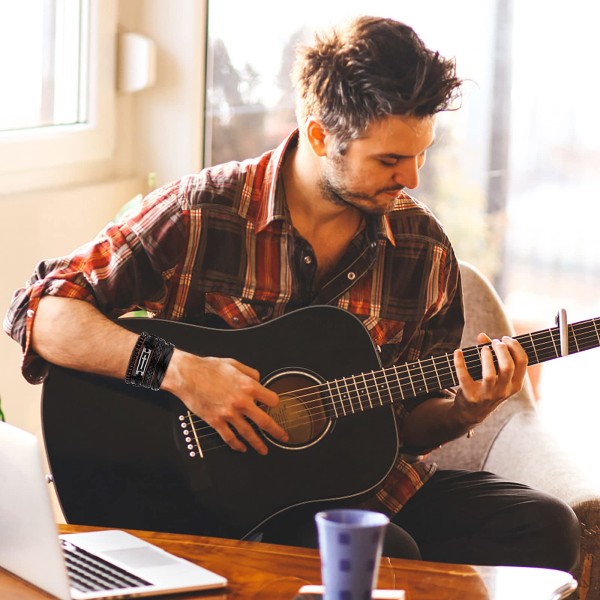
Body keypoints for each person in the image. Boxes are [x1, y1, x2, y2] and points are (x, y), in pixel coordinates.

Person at [4, 15, 579, 571]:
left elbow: (398, 428)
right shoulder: (202, 211)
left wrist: (463, 409)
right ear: (321, 135)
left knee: (545, 527)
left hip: (360, 486)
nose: (412, 178)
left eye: (421, 154)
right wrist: (179, 371)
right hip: (211, 500)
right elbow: (44, 313)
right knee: (380, 556)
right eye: (390, 159)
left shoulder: (422, 249)